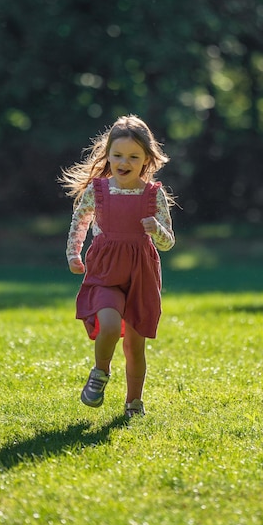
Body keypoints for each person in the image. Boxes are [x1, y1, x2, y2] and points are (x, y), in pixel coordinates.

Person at [60, 115, 175, 418]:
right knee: (108, 326)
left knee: (135, 346)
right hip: (106, 270)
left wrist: (156, 229)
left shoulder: (154, 195)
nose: (124, 162)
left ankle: (134, 402)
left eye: (133, 156)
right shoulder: (98, 191)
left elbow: (168, 242)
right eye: (118, 155)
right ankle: (100, 372)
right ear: (108, 155)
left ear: (147, 159)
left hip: (141, 274)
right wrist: (74, 254)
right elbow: (80, 222)